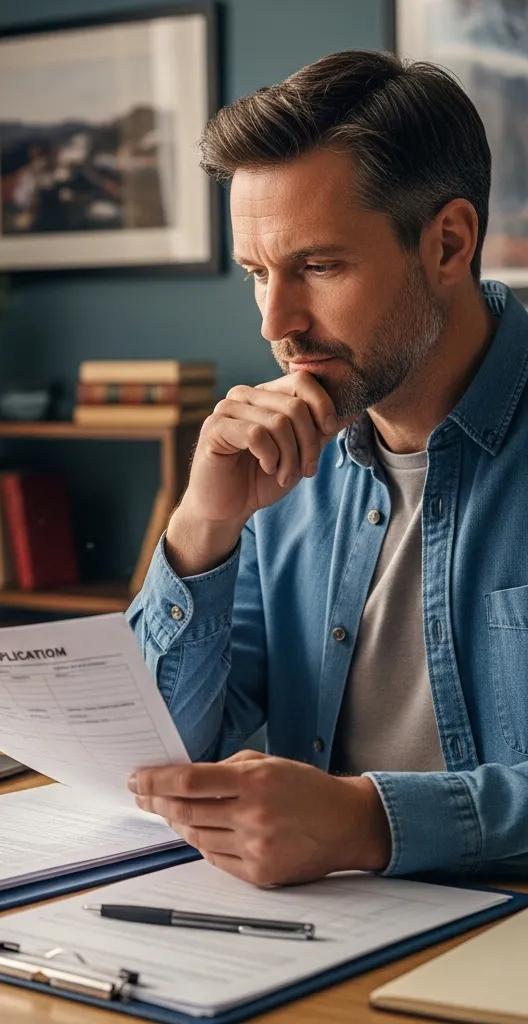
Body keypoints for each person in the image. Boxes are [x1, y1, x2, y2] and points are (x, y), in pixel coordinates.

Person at [126, 49, 528, 886]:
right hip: (323, 937)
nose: (278, 324)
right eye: (256, 275)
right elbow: (155, 754)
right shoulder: (275, 466)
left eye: (318, 267)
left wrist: (369, 823)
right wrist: (204, 528)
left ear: (448, 243)